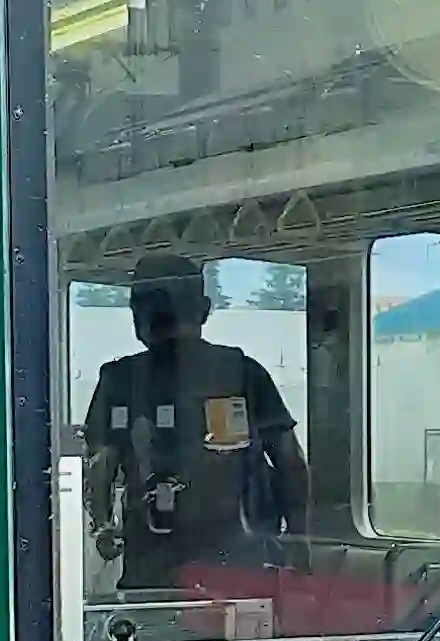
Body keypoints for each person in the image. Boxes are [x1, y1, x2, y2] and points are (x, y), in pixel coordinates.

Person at [77, 253, 305, 596]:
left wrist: (103, 527)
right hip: (234, 567)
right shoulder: (244, 373)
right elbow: (291, 465)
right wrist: (299, 541)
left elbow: (100, 467)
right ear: (204, 309)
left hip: (155, 565)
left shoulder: (119, 380)